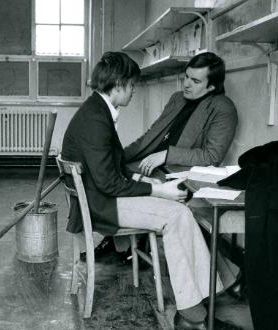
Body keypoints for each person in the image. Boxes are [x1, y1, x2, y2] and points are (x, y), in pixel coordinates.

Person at [61, 51, 241, 330]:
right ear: (119, 84)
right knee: (177, 215)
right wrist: (157, 191)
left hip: (102, 197)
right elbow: (109, 181)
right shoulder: (97, 119)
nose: (134, 91)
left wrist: (145, 181)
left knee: (179, 213)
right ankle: (194, 316)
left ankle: (200, 305)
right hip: (103, 203)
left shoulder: (96, 110)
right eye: (132, 85)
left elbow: (112, 167)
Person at [124, 52, 238, 178]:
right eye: (187, 77)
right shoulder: (177, 98)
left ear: (211, 87)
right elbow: (151, 135)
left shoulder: (223, 107)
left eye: (195, 81)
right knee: (107, 170)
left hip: (172, 174)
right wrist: (118, 155)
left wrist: (167, 155)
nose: (186, 84)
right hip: (147, 164)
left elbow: (212, 157)